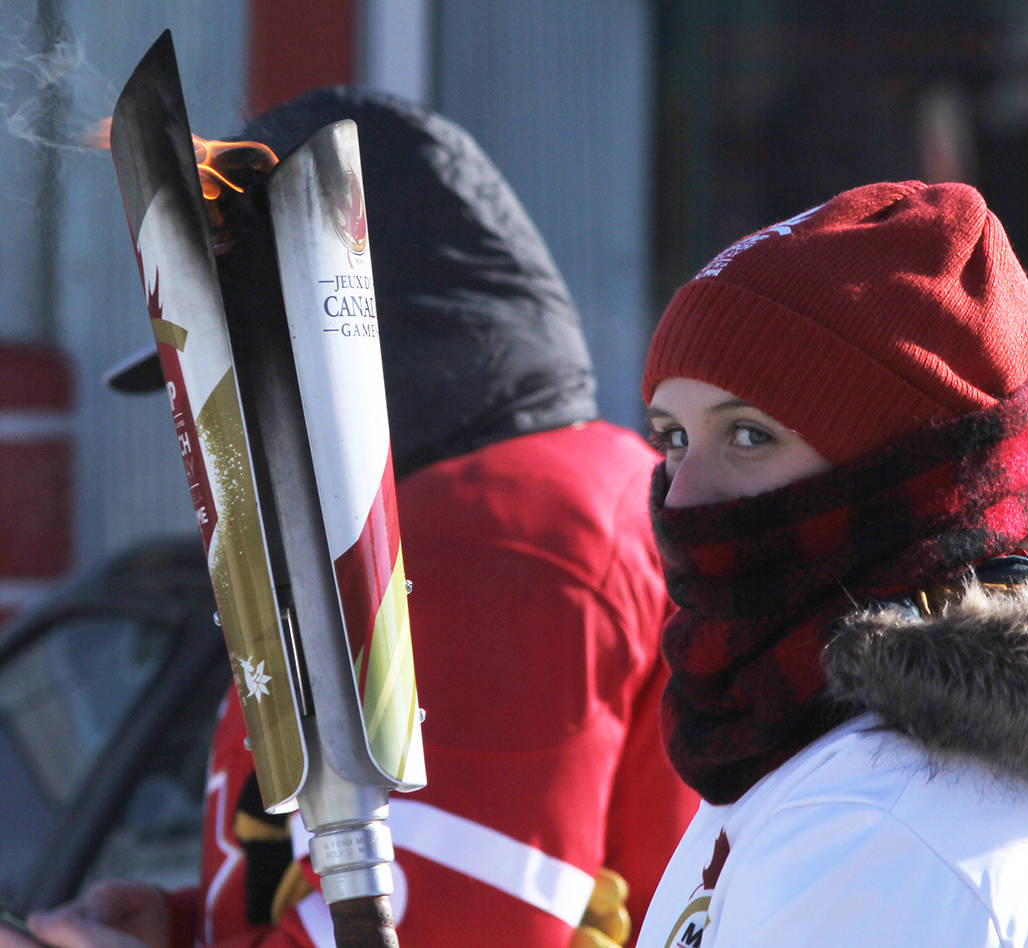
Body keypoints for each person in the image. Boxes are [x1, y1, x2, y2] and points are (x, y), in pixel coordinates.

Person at [9, 88, 697, 948]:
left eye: (238, 366)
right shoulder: (551, 497)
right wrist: (186, 928)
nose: (223, 419)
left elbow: (434, 934)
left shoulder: (489, 543)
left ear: (333, 326)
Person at [632, 180, 1028, 945]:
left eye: (748, 436)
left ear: (904, 473)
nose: (682, 495)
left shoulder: (878, 827)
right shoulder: (812, 755)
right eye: (672, 436)